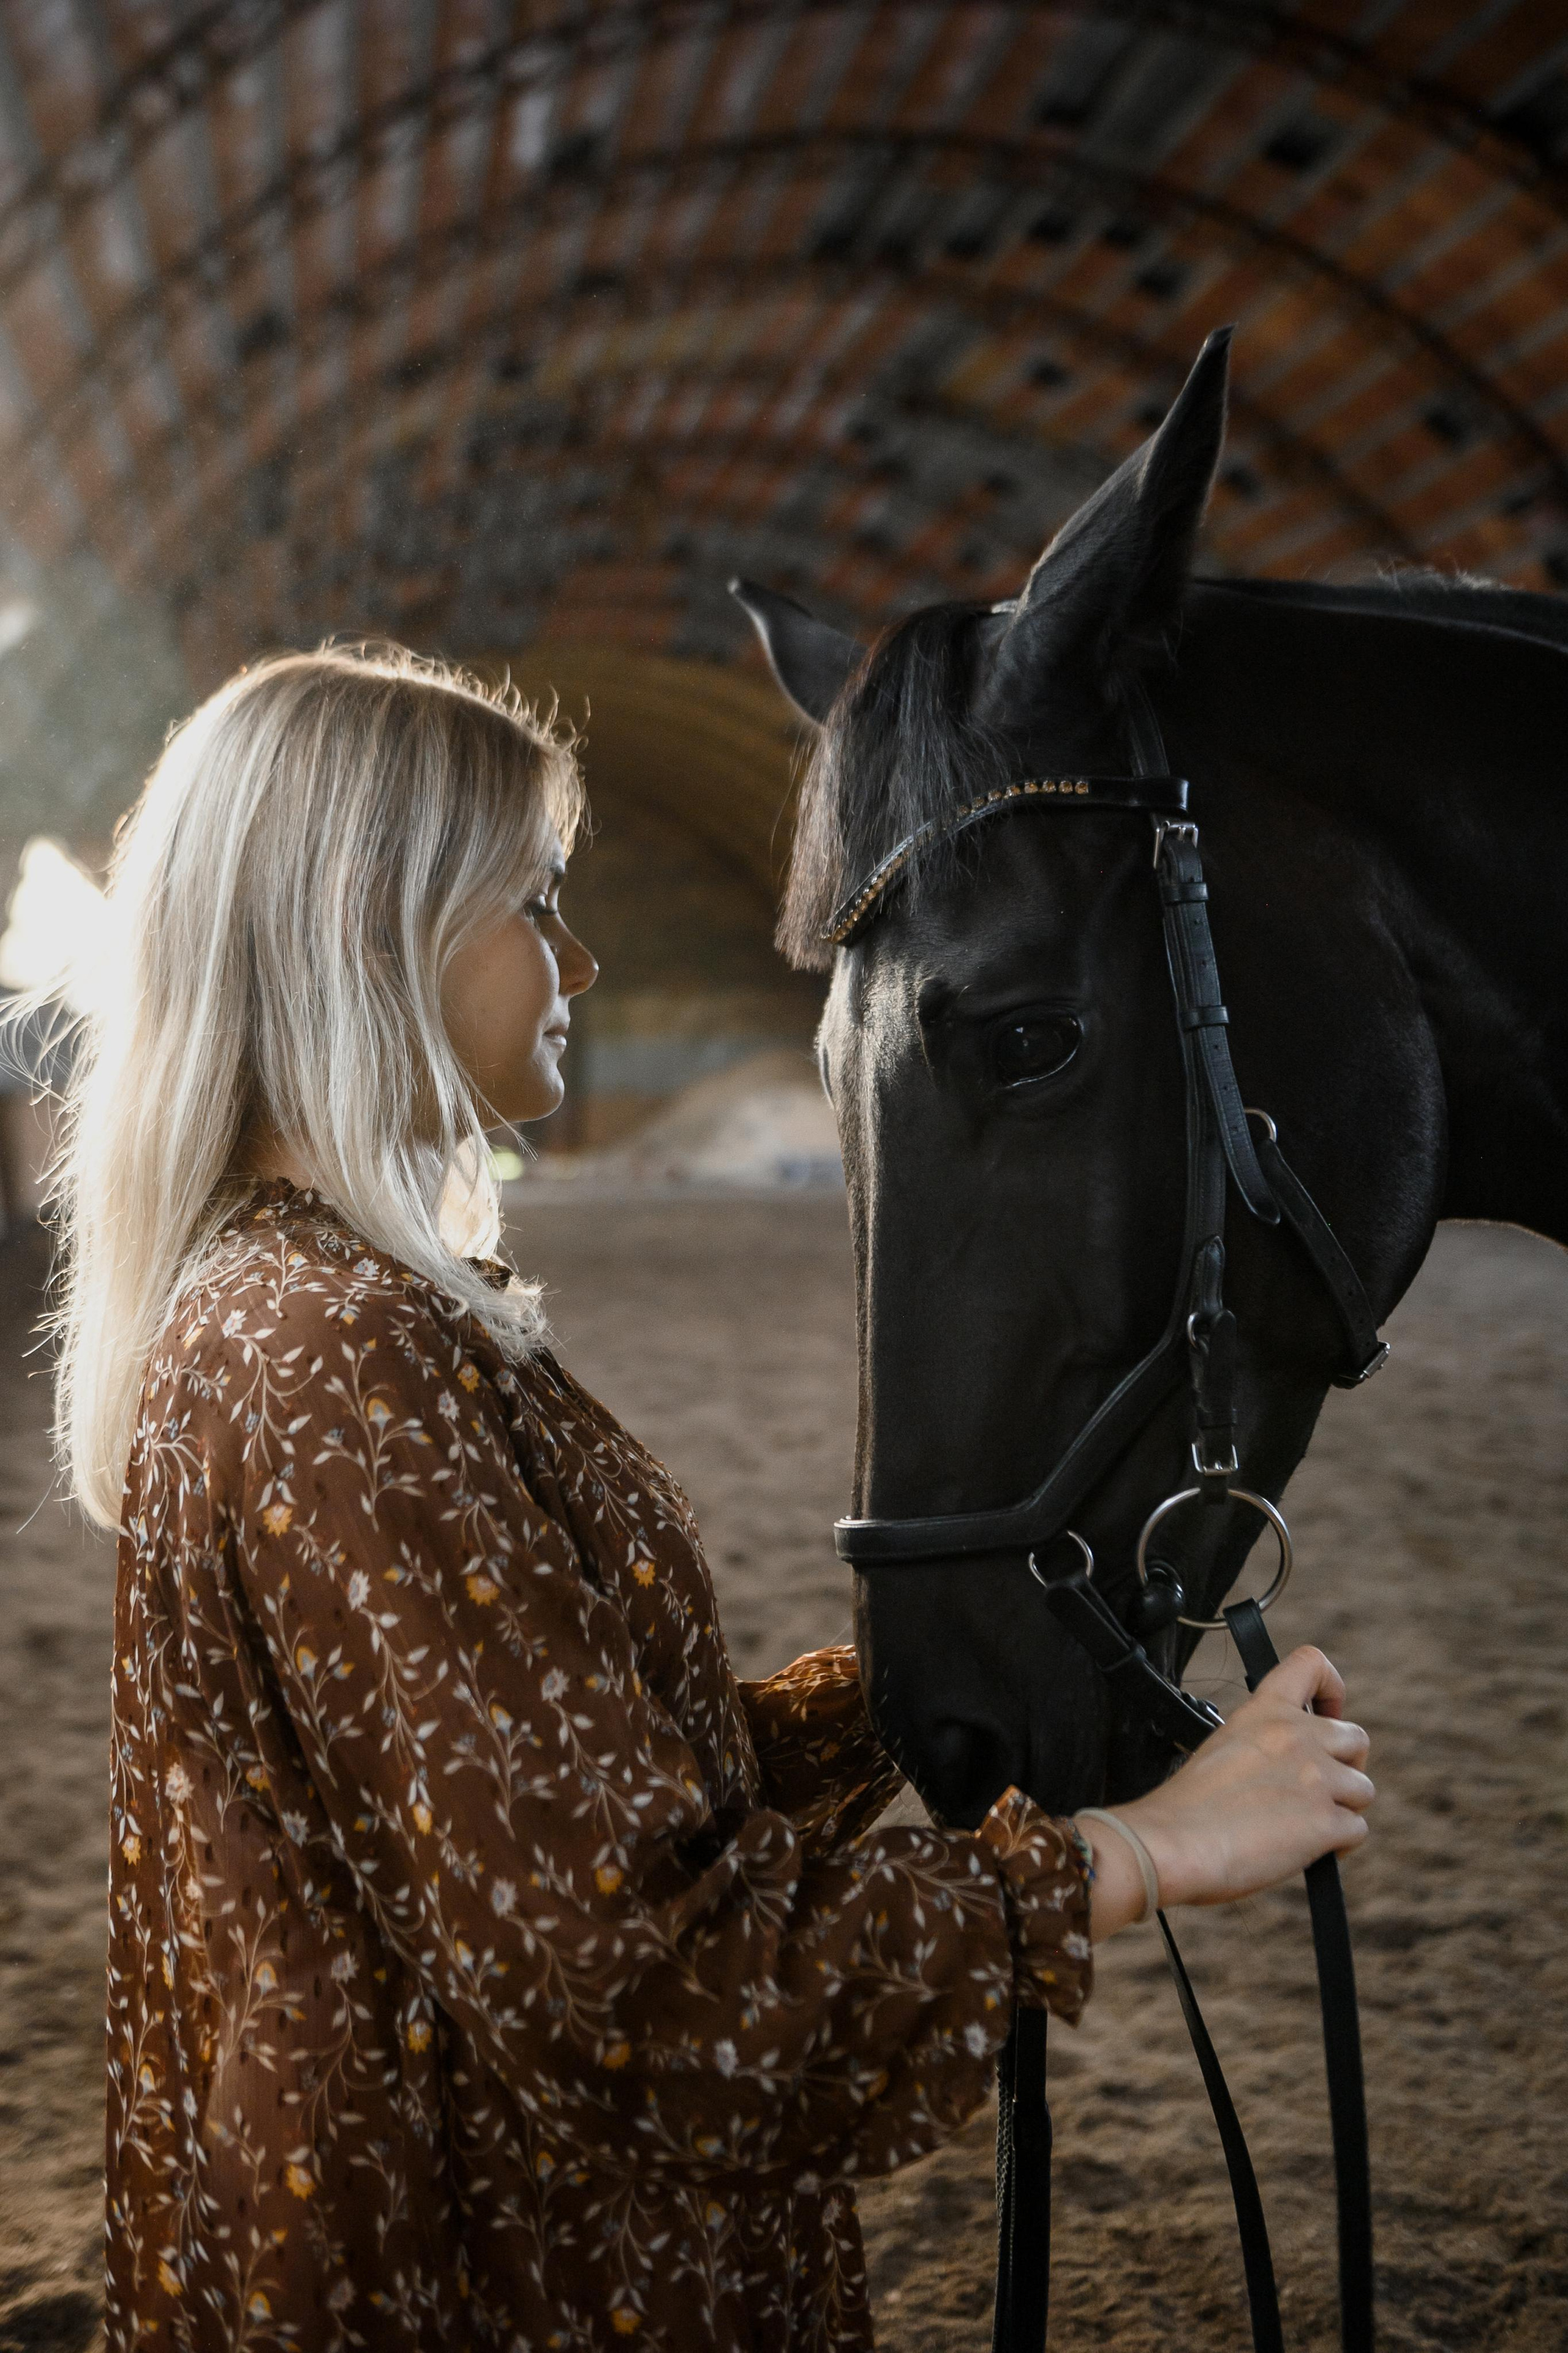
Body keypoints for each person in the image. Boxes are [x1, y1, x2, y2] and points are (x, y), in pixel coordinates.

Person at [56, 645, 1374, 2351]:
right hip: (493, 2276)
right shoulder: (338, 1360)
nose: (580, 957)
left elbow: (543, 1811)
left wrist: (921, 1694)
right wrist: (1145, 1851)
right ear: (373, 915)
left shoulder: (287, 1303)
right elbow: (646, 1993)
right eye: (535, 899)